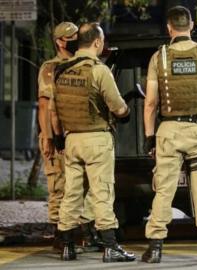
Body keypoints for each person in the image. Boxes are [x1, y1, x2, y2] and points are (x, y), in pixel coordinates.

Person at [142, 5, 197, 264]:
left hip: (168, 132)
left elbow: (150, 103)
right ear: (191, 26)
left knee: (164, 189)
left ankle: (155, 248)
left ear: (169, 28)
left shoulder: (158, 57)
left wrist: (150, 137)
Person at [50, 22, 135, 263]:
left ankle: (67, 245)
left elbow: (54, 113)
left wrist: (59, 140)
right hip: (96, 139)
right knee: (102, 192)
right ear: (97, 42)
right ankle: (110, 246)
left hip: (71, 139)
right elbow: (118, 107)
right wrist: (126, 113)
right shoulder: (98, 70)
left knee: (71, 193)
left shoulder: (60, 70)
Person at [37, 21, 101, 253]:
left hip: (77, 135)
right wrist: (48, 138)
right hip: (57, 136)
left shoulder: (83, 63)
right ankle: (60, 235)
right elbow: (44, 107)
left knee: (83, 186)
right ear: (60, 41)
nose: (74, 41)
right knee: (60, 186)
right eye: (70, 37)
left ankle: (83, 233)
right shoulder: (51, 67)